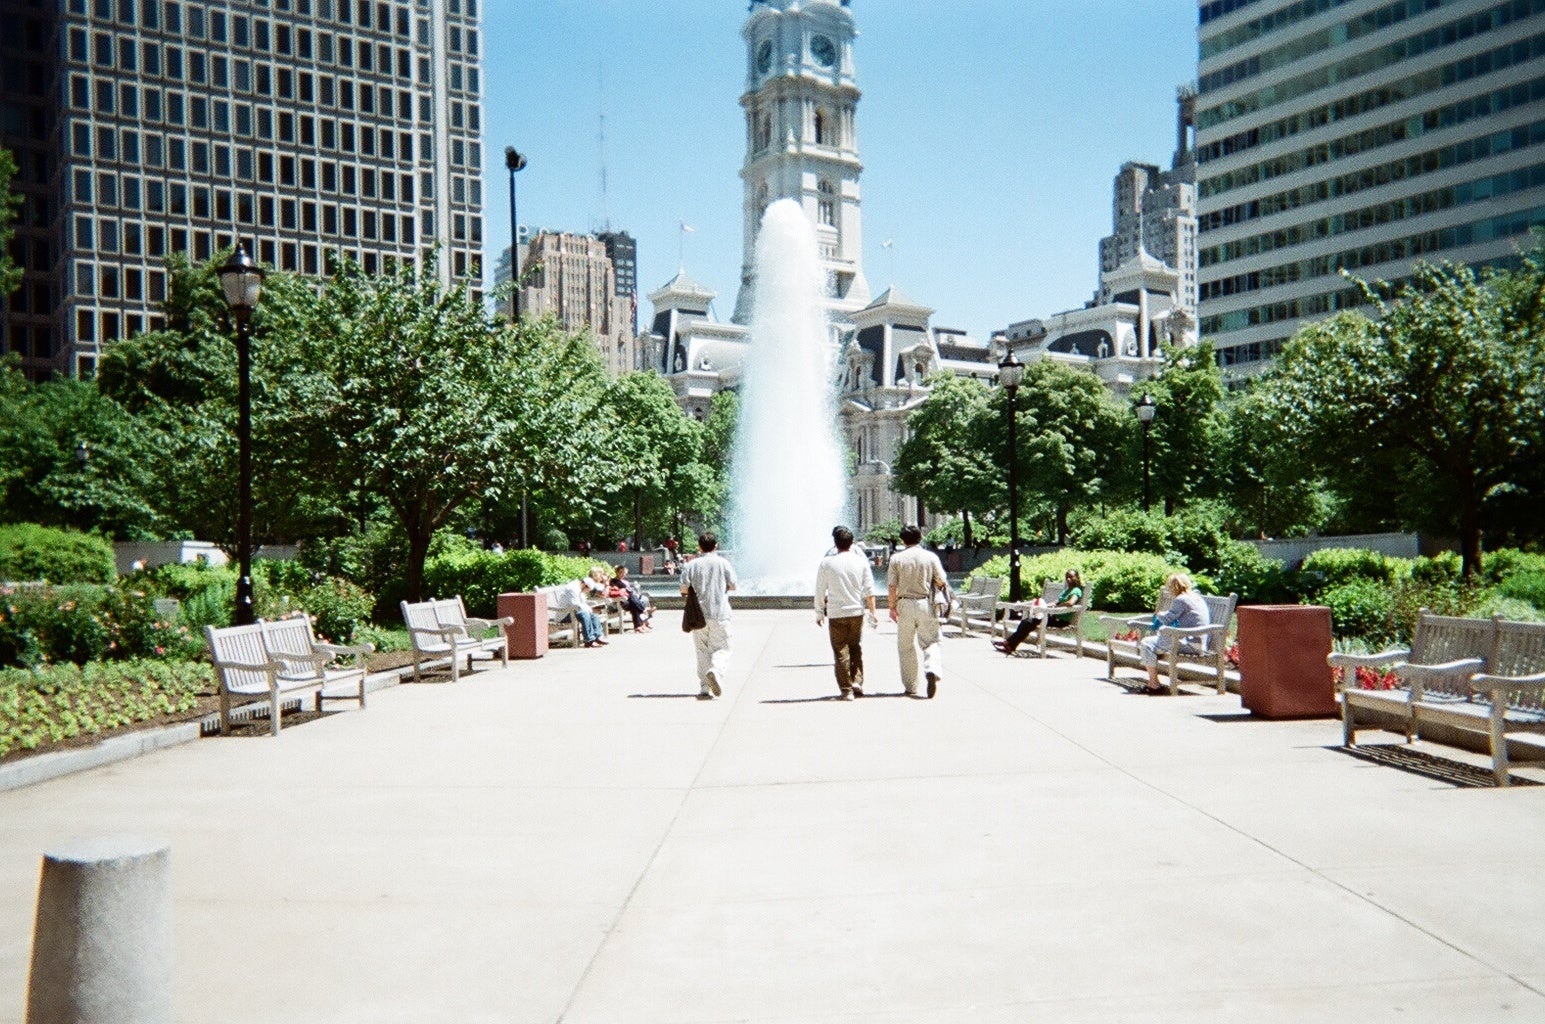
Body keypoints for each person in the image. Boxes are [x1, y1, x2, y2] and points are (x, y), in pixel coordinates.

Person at [814, 525, 878, 700]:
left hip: (836, 613)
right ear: (852, 543)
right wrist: (873, 612)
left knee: (840, 650)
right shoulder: (861, 561)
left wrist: (819, 612)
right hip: (856, 611)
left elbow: (820, 590)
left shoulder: (827, 563)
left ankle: (846, 689)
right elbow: (869, 589)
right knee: (855, 646)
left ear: (835, 543)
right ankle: (857, 681)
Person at [886, 523, 948, 699]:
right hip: (926, 603)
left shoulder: (896, 559)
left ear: (902, 540)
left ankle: (911, 686)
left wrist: (892, 607)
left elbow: (891, 586)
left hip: (904, 604)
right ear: (920, 538)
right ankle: (932, 669)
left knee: (905, 646)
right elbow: (941, 580)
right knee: (931, 641)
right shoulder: (930, 557)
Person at [680, 532, 737, 700]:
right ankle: (716, 671)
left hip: (698, 614)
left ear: (699, 546)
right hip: (720, 612)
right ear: (716, 546)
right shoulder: (723, 563)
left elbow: (683, 588)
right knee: (722, 648)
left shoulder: (692, 565)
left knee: (702, 650)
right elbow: (733, 586)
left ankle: (704, 687)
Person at [1139, 572, 1210, 695]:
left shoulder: (1181, 599)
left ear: (1173, 587)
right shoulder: (1196, 597)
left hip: (1188, 644)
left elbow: (1167, 620)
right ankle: (1153, 682)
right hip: (1199, 642)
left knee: (1146, 644)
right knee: (1154, 642)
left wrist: (1160, 614)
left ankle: (1154, 684)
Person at [994, 569, 1084, 656]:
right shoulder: (1067, 590)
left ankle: (1009, 644)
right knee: (1027, 622)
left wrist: (1055, 607)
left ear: (1076, 578)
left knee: (1030, 622)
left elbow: (1071, 603)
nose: (1068, 579)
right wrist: (1045, 605)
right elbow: (1057, 601)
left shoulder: (1076, 590)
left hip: (1061, 620)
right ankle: (1010, 644)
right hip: (1054, 616)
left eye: (1071, 577)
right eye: (1067, 577)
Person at [549, 576, 607, 648]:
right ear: (584, 585)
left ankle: (597, 637)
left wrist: (590, 610)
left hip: (573, 612)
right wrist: (587, 610)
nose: (587, 592)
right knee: (585, 614)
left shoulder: (580, 589)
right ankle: (589, 640)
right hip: (565, 614)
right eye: (588, 590)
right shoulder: (572, 589)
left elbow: (582, 603)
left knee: (593, 615)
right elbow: (575, 604)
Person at [611, 564, 652, 633]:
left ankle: (638, 626)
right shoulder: (613, 581)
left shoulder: (625, 582)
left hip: (629, 601)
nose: (623, 574)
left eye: (624, 573)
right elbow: (615, 591)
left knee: (634, 605)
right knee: (633, 600)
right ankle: (643, 611)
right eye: (621, 572)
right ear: (617, 572)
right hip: (621, 602)